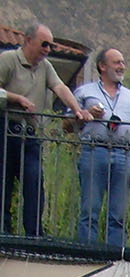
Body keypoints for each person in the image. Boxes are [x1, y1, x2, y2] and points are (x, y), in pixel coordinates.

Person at [0, 23, 90, 235]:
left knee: (34, 183)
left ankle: (34, 233)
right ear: (28, 40)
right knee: (3, 182)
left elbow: (60, 87)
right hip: (5, 128)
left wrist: (78, 109)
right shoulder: (8, 60)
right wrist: (17, 98)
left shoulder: (46, 67)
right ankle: (4, 230)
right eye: (44, 44)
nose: (48, 49)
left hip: (30, 133)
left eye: (50, 45)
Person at [75, 47, 130, 248]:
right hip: (93, 152)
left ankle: (115, 260)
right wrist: (86, 113)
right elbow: (67, 125)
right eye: (117, 62)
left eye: (123, 62)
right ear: (102, 66)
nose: (122, 66)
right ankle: (88, 257)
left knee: (118, 215)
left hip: (124, 155)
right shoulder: (85, 92)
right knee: (90, 211)